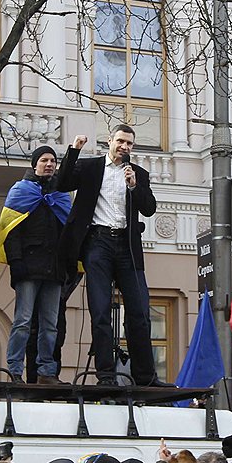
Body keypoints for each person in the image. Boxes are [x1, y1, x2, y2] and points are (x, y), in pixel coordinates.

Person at [57, 127, 169, 387]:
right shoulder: (91, 167)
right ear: (110, 141)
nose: (124, 147)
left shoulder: (138, 174)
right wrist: (74, 150)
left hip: (127, 247)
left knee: (140, 313)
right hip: (98, 243)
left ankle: (146, 377)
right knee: (100, 312)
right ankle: (106, 377)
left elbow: (149, 208)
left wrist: (134, 186)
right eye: (120, 141)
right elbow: (61, 183)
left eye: (129, 143)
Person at [0, 145, 71, 385]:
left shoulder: (61, 195)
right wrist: (16, 262)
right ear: (34, 164)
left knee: (50, 325)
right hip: (28, 268)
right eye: (44, 160)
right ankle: (15, 370)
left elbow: (68, 231)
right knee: (23, 322)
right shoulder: (20, 191)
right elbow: (10, 231)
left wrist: (68, 265)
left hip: (54, 269)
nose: (49, 164)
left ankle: (46, 372)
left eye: (53, 161)